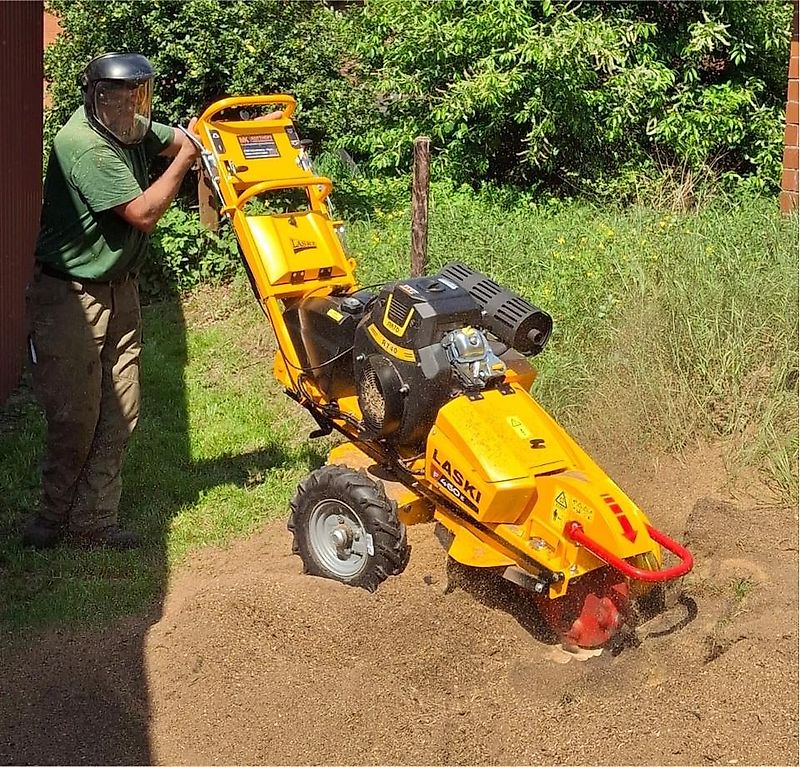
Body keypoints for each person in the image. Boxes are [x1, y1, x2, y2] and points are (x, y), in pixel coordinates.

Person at [22, 52, 201, 551]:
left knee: (122, 406)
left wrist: (209, 137)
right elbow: (142, 213)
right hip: (70, 296)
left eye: (136, 99)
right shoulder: (83, 146)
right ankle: (53, 516)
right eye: (117, 100)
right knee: (75, 414)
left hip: (120, 289)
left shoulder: (128, 125)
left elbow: (179, 138)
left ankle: (95, 521)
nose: (129, 110)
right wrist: (186, 160)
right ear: (95, 98)